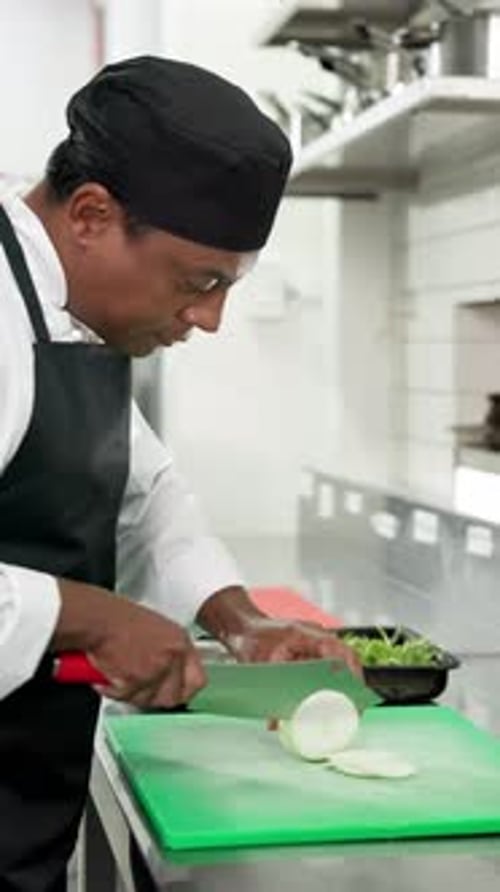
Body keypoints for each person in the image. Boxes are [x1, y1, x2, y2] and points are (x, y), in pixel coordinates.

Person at [0, 55, 358, 892]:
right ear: (91, 215)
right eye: (199, 282)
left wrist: (238, 620)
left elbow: (144, 497)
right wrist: (85, 614)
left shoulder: (68, 316)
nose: (208, 318)